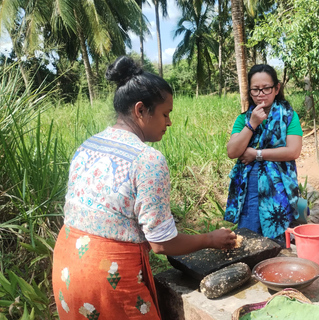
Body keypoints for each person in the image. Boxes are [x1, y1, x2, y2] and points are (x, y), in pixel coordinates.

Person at [52, 56, 236, 320]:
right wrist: (210, 239)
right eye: (165, 113)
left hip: (68, 266)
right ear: (140, 110)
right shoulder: (148, 160)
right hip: (108, 275)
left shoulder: (87, 145)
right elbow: (161, 244)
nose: (169, 122)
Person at [224, 64, 303, 243]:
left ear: (276, 88)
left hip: (281, 187)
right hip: (249, 188)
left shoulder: (290, 116)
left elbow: (293, 150)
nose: (261, 94)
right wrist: (252, 124)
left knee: (281, 240)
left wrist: (256, 154)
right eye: (255, 90)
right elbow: (232, 151)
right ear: (250, 92)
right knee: (249, 238)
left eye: (266, 88)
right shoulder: (243, 119)